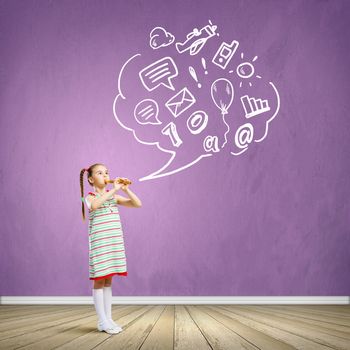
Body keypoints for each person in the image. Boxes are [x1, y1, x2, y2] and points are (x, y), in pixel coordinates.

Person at [80, 163, 142, 334]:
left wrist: (126, 189)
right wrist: (114, 191)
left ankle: (108, 318)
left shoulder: (113, 196)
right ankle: (102, 320)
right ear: (92, 179)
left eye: (107, 172)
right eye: (100, 173)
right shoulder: (90, 197)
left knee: (108, 281)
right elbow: (94, 206)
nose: (105, 175)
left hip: (113, 244)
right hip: (101, 245)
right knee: (99, 280)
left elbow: (137, 204)